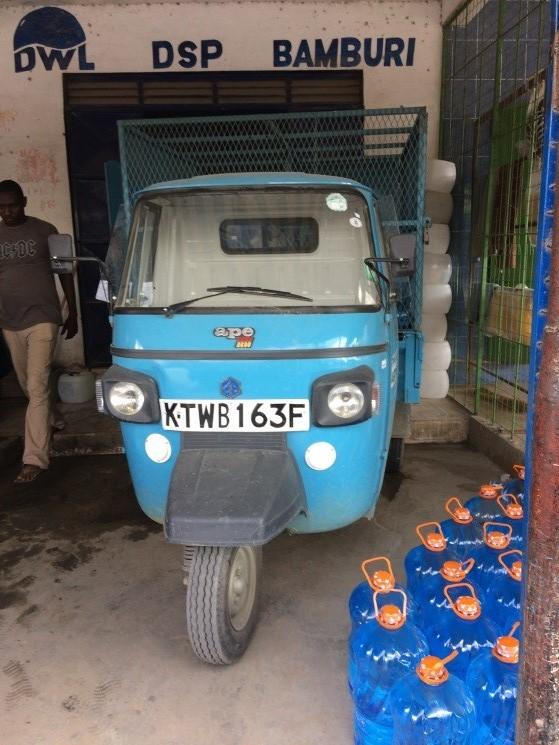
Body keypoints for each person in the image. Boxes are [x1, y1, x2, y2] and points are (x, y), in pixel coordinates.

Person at [0, 180, 78, 484]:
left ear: (25, 201)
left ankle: (34, 458)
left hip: (44, 317)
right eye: (2, 206)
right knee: (29, 385)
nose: (7, 211)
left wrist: (72, 312)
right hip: (9, 321)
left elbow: (65, 272)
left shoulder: (45, 229)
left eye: (13, 204)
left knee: (36, 383)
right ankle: (53, 419)